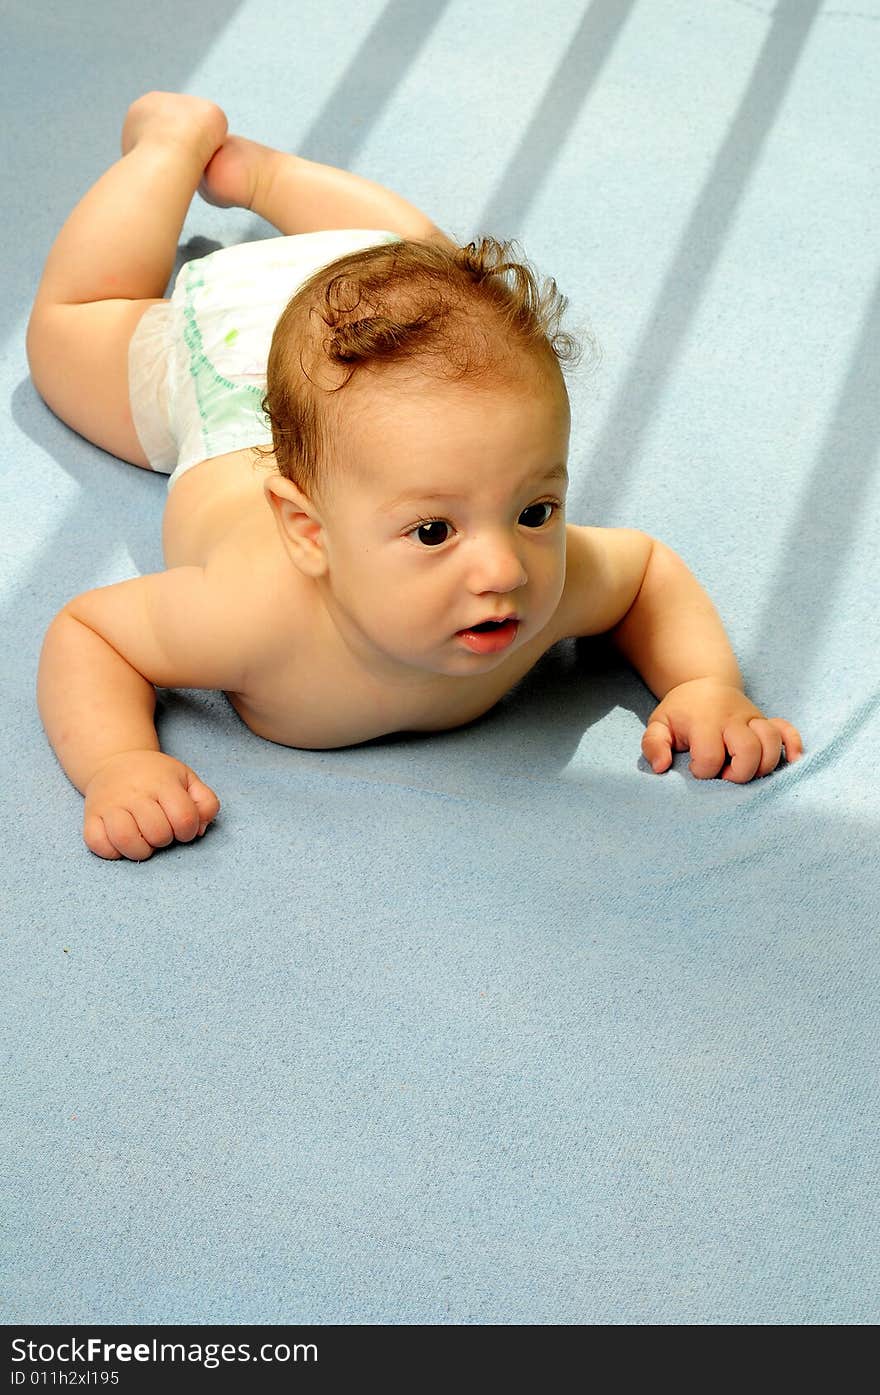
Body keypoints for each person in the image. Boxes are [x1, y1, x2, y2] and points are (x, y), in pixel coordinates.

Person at [29, 93, 802, 862]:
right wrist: (118, 761)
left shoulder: (545, 581)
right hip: (229, 369)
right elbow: (92, 633)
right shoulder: (251, 616)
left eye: (535, 510)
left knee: (432, 266)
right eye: (434, 530)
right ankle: (170, 144)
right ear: (308, 531)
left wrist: (702, 683)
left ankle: (265, 178)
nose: (505, 568)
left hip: (373, 310)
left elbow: (645, 574)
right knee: (72, 326)